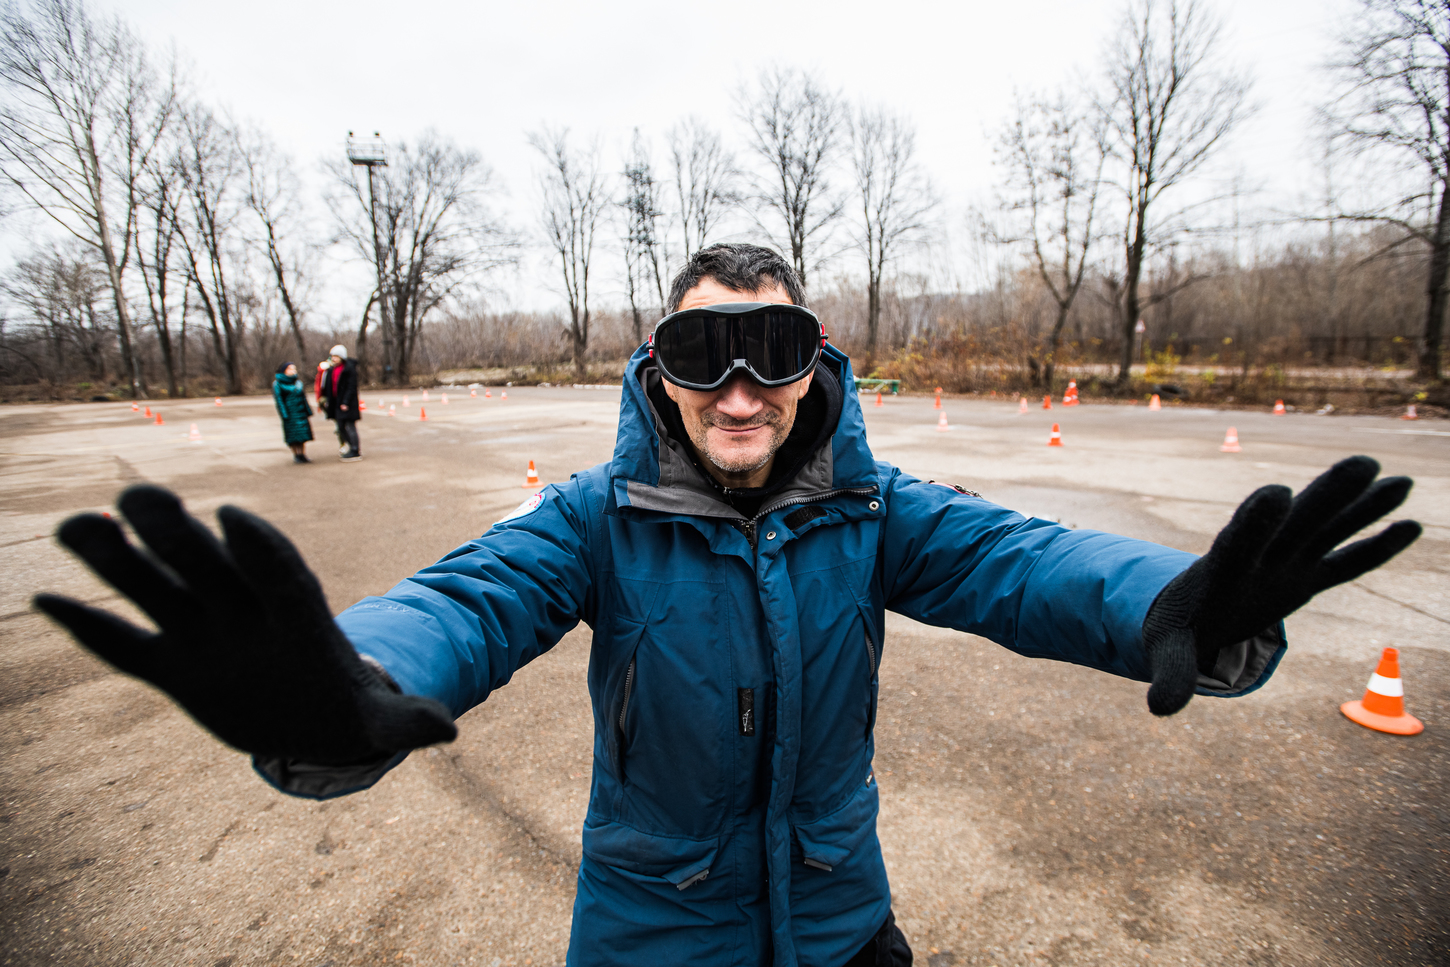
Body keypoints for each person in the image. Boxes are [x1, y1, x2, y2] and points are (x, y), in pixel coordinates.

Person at [34, 244, 1421, 967]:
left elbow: (1024, 558)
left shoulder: (873, 515)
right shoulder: (594, 518)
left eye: (775, 350)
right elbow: (467, 596)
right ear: (661, 371)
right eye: (706, 351)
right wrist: (346, 679)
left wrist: (1172, 600)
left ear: (815, 368)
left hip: (838, 920)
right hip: (653, 935)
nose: (742, 386)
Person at [317, 344, 361, 461]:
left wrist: (345, 402)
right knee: (340, 427)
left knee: (350, 426)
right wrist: (326, 400)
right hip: (335, 403)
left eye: (336, 356)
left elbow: (351, 387)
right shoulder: (331, 370)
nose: (334, 358)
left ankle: (355, 450)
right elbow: (326, 386)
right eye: (332, 356)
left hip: (347, 403)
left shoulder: (349, 369)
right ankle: (350, 446)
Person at [271, 362, 314, 464]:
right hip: (290, 413)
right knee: (293, 436)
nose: (293, 371)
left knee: (303, 435)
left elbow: (304, 398)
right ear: (284, 370)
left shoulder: (298, 383)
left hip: (301, 412)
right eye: (291, 369)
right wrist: (284, 414)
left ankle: (302, 454)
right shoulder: (278, 384)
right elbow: (279, 400)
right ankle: (296, 455)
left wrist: (308, 410)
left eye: (294, 369)